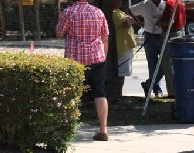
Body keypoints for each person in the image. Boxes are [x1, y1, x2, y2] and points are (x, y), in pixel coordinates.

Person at [56, 0, 109, 141]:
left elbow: (60, 33)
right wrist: (103, 56)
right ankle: (103, 130)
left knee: (71, 93)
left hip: (75, 59)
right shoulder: (98, 12)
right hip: (97, 57)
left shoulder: (69, 12)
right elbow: (105, 37)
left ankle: (68, 128)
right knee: (100, 93)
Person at [128, 0, 166, 97]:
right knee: (152, 64)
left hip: (163, 35)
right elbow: (129, 10)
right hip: (150, 36)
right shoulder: (145, 4)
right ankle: (157, 90)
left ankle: (149, 84)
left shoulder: (165, 3)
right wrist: (140, 23)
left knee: (165, 64)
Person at [160, 0, 185, 98]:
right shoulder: (179, 2)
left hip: (171, 34)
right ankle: (180, 88)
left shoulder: (169, 3)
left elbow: (170, 22)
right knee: (179, 63)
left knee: (168, 64)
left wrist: (159, 22)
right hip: (180, 32)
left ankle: (172, 92)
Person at [112, 0, 136, 98]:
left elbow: (130, 20)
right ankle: (117, 94)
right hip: (121, 47)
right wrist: (130, 20)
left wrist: (130, 20)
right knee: (120, 73)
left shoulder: (120, 12)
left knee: (123, 73)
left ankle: (119, 93)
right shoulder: (114, 13)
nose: (120, 2)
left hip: (126, 45)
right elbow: (127, 23)